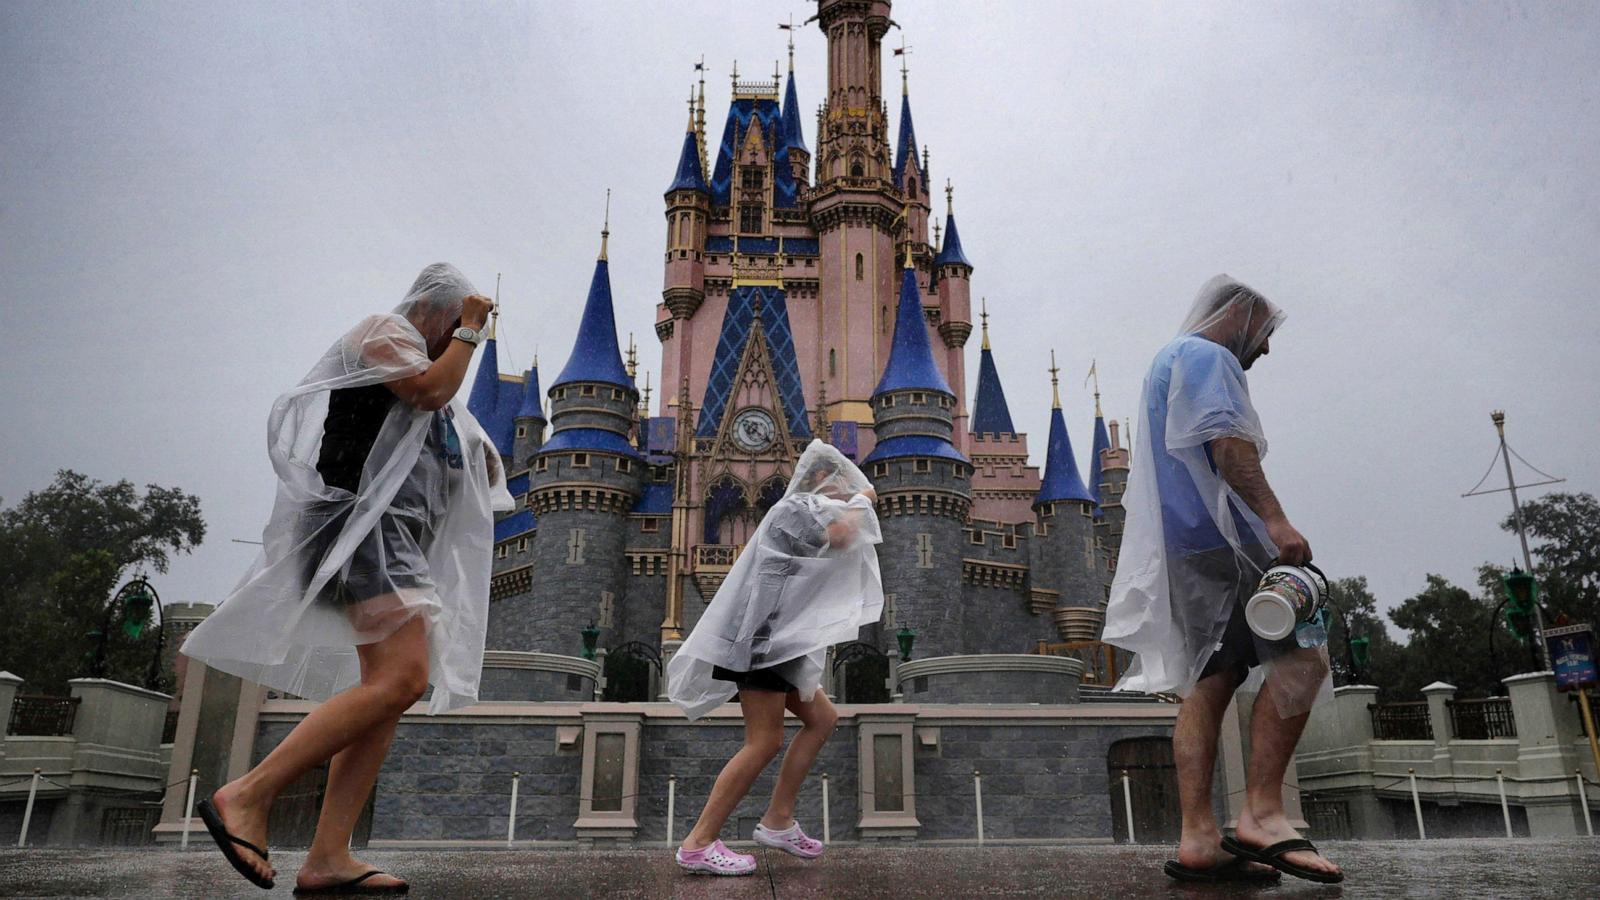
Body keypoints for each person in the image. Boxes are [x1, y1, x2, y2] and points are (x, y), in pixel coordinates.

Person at [181, 263, 511, 893]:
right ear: (438, 313)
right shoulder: (381, 331)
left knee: (386, 695)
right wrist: (470, 332)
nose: (460, 344)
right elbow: (426, 390)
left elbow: (477, 462)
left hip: (394, 540)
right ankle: (248, 795)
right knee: (404, 677)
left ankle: (328, 855)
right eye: (457, 326)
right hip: (361, 532)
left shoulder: (441, 387)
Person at [1101, 275, 1341, 885]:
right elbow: (1229, 446)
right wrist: (1277, 521)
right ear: (1237, 315)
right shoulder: (1208, 356)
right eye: (1262, 334)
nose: (1263, 351)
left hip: (1182, 548)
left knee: (1208, 683)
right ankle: (1262, 813)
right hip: (1227, 537)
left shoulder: (1164, 362)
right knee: (1303, 656)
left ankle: (1199, 839)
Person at [665, 440, 883, 876]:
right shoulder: (797, 508)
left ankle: (778, 820)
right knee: (763, 741)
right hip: (762, 641)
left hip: (779, 641)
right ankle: (698, 843)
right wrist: (863, 499)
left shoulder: (806, 509)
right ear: (823, 479)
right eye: (843, 484)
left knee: (823, 719)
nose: (847, 492)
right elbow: (841, 537)